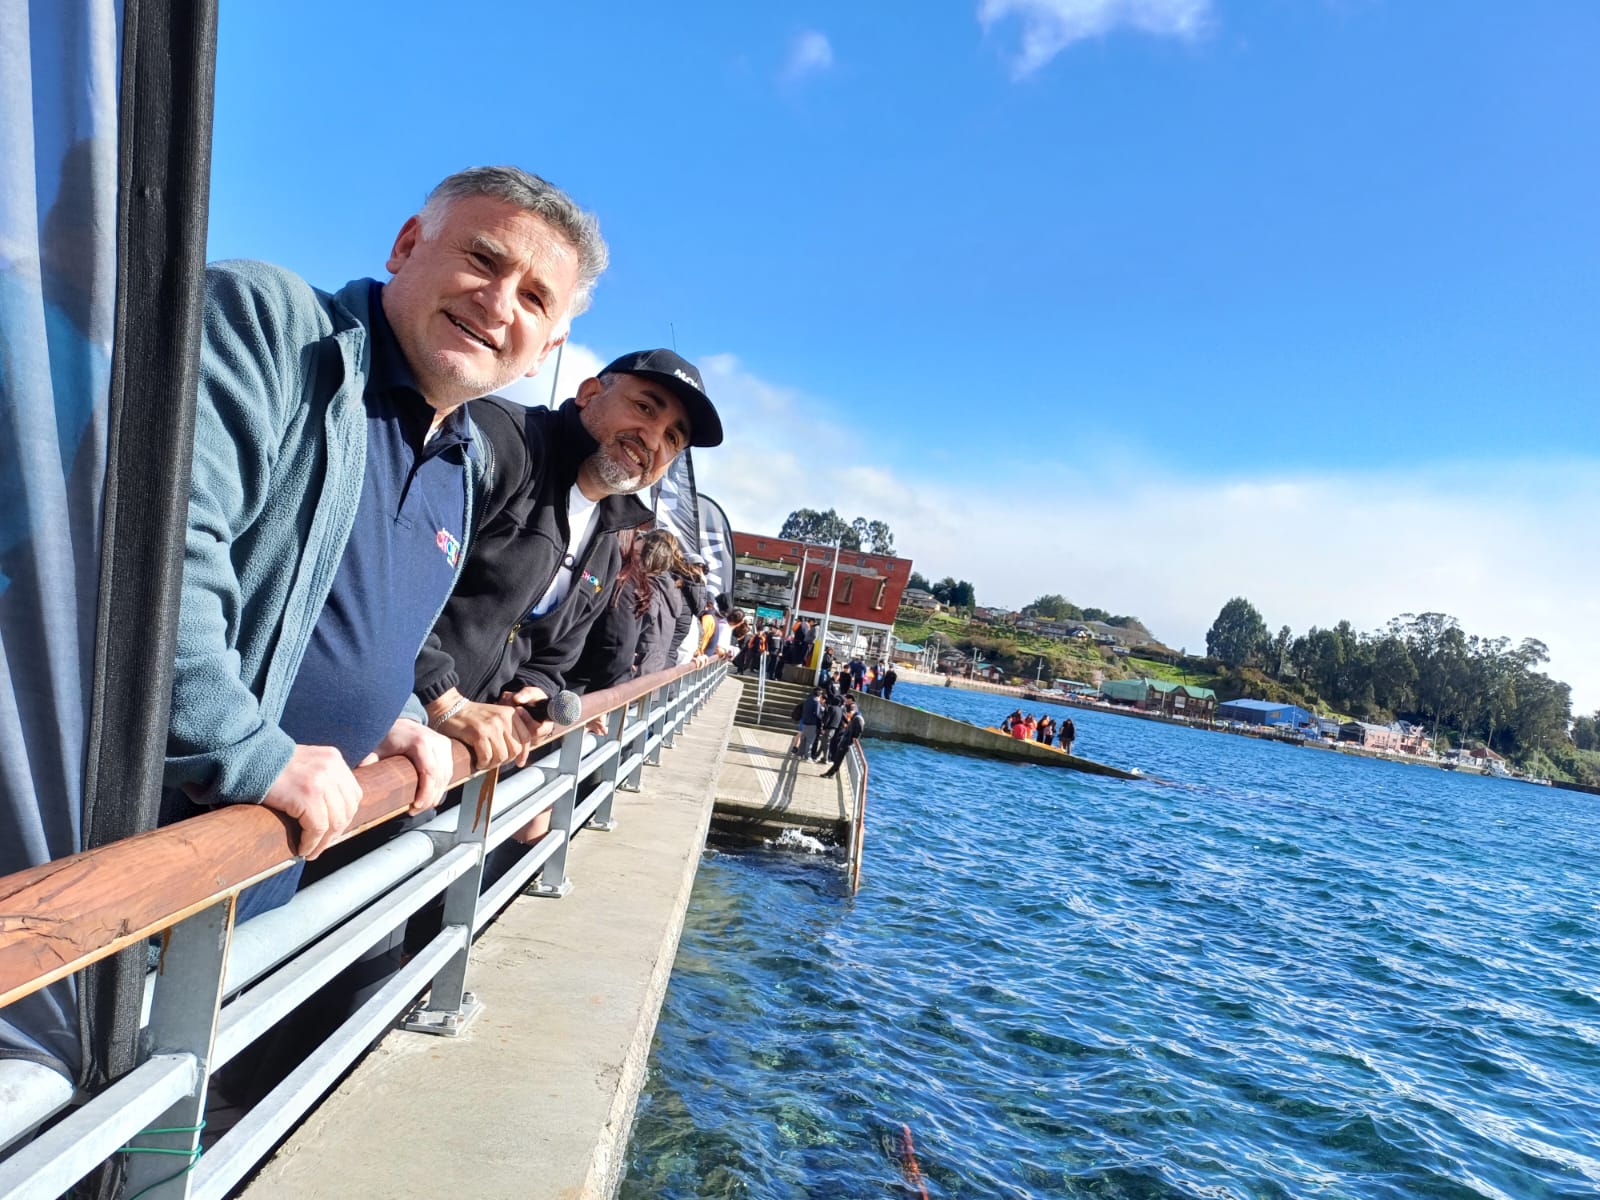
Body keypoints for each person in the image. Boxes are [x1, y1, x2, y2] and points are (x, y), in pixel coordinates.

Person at [164, 165, 597, 915]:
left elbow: (366, 625)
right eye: (482, 260)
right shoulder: (271, 325)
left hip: (257, 888)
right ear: (405, 246)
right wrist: (244, 748)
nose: (497, 304)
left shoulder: (462, 467)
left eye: (533, 298)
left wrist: (396, 716)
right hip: (128, 861)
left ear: (547, 347)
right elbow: (162, 550)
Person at [416, 348, 721, 774]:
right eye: (644, 407)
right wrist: (443, 697)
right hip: (372, 736)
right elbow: (389, 572)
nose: (652, 439)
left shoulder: (608, 543)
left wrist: (532, 691)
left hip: (461, 763)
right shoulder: (502, 443)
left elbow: (556, 657)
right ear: (588, 393)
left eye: (673, 437)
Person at [821, 697, 864, 778]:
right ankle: (830, 773)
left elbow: (860, 728)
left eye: (848, 713)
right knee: (837, 758)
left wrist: (855, 737)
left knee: (838, 759)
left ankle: (830, 773)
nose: (848, 716)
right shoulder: (855, 718)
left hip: (847, 741)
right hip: (845, 739)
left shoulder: (858, 719)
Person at [792, 687, 824, 759]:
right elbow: (817, 714)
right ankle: (807, 756)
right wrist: (821, 718)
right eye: (821, 694)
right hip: (812, 724)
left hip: (805, 722)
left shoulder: (807, 700)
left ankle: (799, 754)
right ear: (819, 694)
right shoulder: (816, 702)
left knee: (803, 740)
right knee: (810, 741)